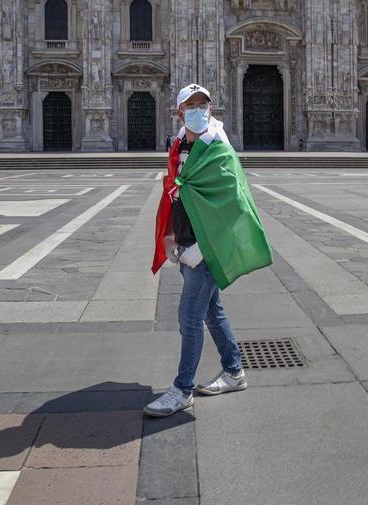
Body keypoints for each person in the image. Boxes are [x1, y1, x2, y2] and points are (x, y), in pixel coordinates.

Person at [145, 83, 273, 417]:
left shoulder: (219, 151)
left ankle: (182, 389)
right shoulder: (178, 149)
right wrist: (172, 239)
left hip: (205, 249)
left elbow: (233, 205)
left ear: (211, 111)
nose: (198, 110)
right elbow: (178, 195)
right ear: (180, 112)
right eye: (192, 105)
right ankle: (233, 371)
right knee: (211, 311)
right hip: (187, 244)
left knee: (189, 315)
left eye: (204, 105)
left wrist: (201, 249)